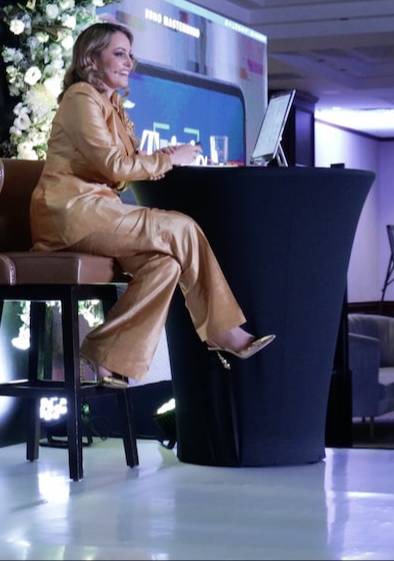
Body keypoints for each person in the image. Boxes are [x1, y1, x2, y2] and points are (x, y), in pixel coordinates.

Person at [28, 20, 274, 387]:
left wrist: (165, 156)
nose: (129, 62)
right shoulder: (81, 97)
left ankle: (104, 356)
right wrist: (167, 161)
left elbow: (120, 170)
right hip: (71, 215)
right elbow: (114, 166)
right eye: (119, 53)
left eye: (130, 54)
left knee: (165, 265)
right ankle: (221, 331)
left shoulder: (110, 103)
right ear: (91, 59)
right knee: (182, 227)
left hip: (98, 210)